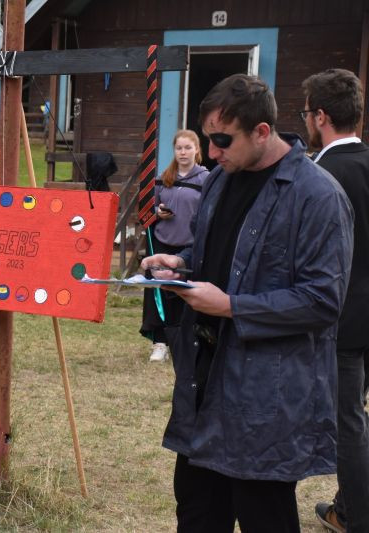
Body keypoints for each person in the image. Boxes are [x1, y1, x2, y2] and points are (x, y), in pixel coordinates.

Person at [141, 74, 353, 531]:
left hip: (265, 399)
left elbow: (323, 300)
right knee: (197, 514)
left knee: (264, 517)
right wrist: (181, 262)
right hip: (204, 382)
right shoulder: (220, 179)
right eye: (207, 139)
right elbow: (221, 254)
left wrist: (232, 307)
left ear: (261, 131)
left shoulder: (318, 195)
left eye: (222, 140)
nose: (212, 152)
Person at [302, 68, 369, 533]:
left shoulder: (320, 175)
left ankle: (355, 518)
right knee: (355, 420)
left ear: (321, 116)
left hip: (342, 318)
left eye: (306, 113)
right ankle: (348, 505)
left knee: (348, 425)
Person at [140, 130, 208, 362]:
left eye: (188, 148)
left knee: (183, 296)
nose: (183, 152)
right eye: (179, 148)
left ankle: (184, 342)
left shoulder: (206, 179)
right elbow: (150, 207)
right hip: (163, 243)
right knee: (158, 294)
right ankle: (160, 342)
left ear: (197, 150)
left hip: (188, 248)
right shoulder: (164, 177)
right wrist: (158, 212)